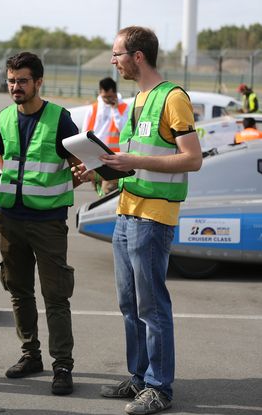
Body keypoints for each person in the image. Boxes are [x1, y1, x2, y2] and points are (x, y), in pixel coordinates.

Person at [74, 26, 202, 415]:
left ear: (138, 56)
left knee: (152, 306)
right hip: (127, 213)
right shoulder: (139, 100)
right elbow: (130, 158)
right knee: (129, 304)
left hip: (154, 217)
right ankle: (140, 377)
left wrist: (133, 161)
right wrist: (98, 170)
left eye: (117, 54)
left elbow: (192, 158)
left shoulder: (172, 97)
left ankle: (160, 388)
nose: (114, 61)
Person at [0, 51, 80, 396]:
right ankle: (31, 355)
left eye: (22, 80)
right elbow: (4, 162)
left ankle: (62, 365)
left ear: (38, 82)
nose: (15, 86)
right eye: (11, 80)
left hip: (47, 222)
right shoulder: (2, 118)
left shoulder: (61, 119)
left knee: (55, 296)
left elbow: (79, 168)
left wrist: (54, 193)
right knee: (18, 290)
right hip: (10, 219)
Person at [82, 77, 130, 195]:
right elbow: (84, 132)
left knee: (107, 192)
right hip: (95, 158)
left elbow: (124, 129)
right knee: (99, 192)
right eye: (105, 97)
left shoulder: (124, 108)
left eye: (110, 96)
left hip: (113, 159)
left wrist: (115, 110)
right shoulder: (93, 108)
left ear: (115, 93)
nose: (107, 100)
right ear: (100, 93)